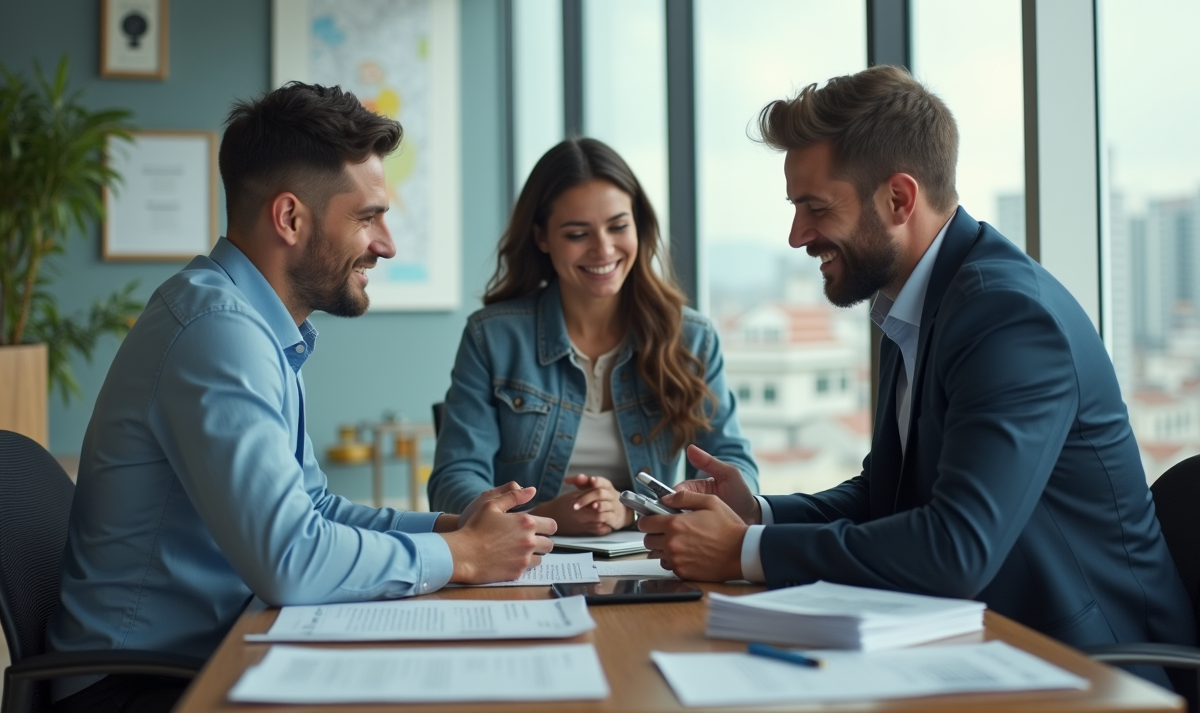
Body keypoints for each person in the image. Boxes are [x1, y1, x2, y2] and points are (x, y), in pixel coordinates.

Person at [639, 66, 1196, 692]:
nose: (796, 235)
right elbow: (887, 495)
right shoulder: (921, 303)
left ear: (899, 199)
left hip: (1090, 669)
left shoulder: (1007, 315)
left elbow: (956, 547)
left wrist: (745, 552)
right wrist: (758, 514)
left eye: (815, 208)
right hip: (978, 643)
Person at [47, 83, 556, 713]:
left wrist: (451, 528)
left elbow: (312, 508)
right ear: (290, 218)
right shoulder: (218, 332)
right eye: (368, 217)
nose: (388, 244)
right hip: (138, 686)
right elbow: (290, 559)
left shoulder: (253, 326)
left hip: (213, 648)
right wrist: (460, 555)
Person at [427, 138, 757, 536]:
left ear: (639, 225)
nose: (603, 249)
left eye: (618, 226)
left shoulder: (692, 338)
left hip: (652, 559)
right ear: (542, 238)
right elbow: (453, 481)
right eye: (577, 234)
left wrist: (633, 512)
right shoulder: (491, 337)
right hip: (524, 560)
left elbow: (734, 473)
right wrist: (544, 515)